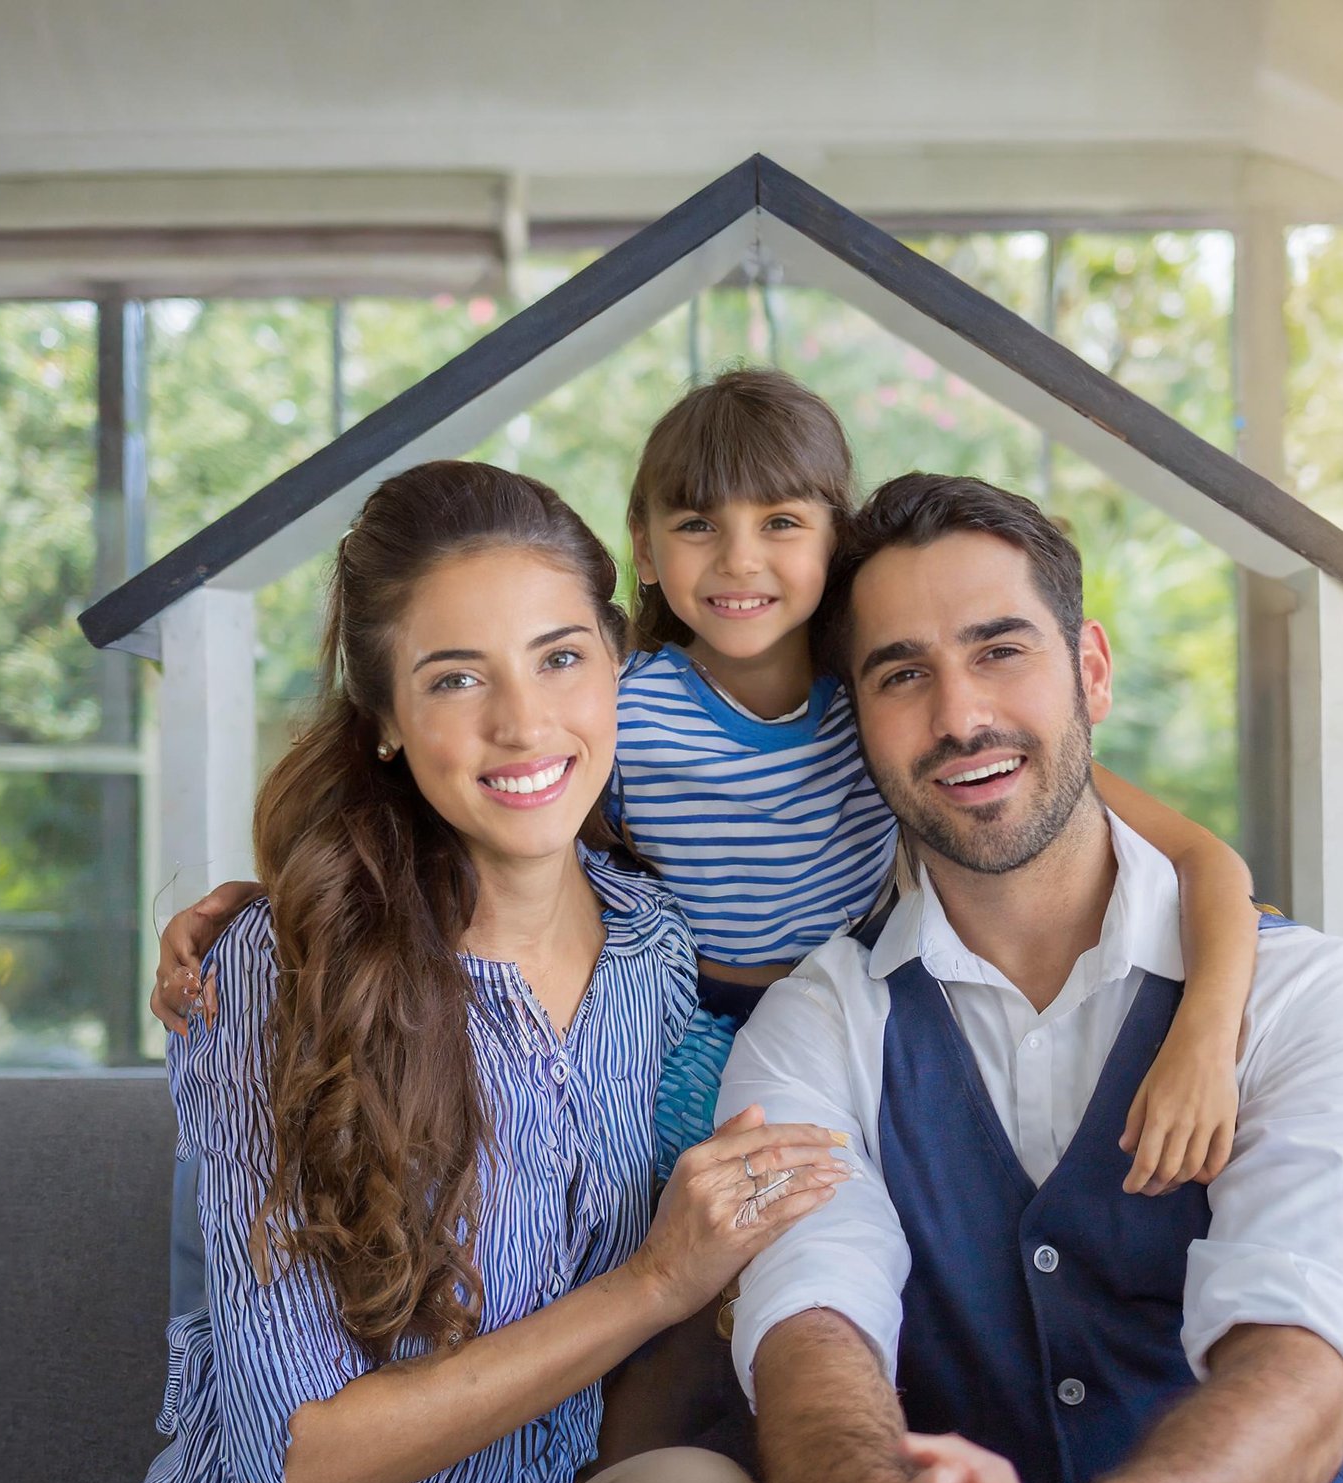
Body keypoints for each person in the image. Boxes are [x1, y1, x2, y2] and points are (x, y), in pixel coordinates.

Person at [717, 474, 1343, 1483]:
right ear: (857, 717)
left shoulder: (1303, 992)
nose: (959, 717)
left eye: (1001, 650)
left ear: (1090, 669)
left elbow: (1298, 1356)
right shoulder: (817, 1023)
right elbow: (810, 1330)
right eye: (903, 674)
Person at [161, 372, 1255, 1197]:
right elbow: (474, 824)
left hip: (857, 999)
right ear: (643, 547)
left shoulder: (885, 700)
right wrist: (277, 906)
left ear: (838, 540)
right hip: (680, 1012)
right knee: (669, 1224)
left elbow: (1200, 858)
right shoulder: (616, 702)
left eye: (781, 524)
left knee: (873, 1208)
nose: (738, 561)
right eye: (697, 527)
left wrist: (1204, 1033)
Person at [109, 461, 852, 1483]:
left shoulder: (655, 948)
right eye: (456, 680)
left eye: (560, 656)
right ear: (388, 723)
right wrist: (655, 1282)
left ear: (617, 664)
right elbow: (290, 1467)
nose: (523, 723)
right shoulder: (278, 968)